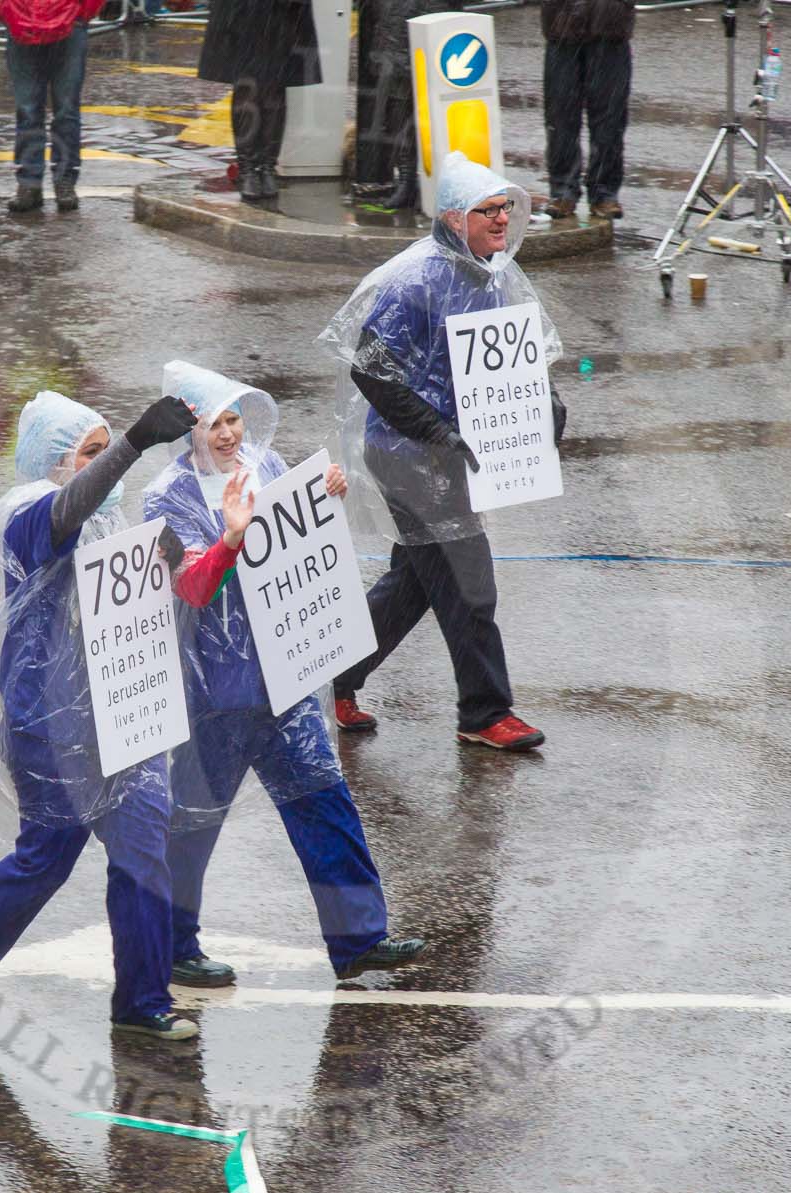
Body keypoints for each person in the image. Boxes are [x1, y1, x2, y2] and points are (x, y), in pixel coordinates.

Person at [0, 389, 200, 1041]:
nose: (108, 469)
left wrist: (165, 553)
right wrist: (132, 442)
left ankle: (143, 1000)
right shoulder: (24, 515)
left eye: (108, 452)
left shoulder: (105, 518)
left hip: (120, 717)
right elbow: (64, 512)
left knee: (143, 846)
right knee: (45, 858)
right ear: (52, 460)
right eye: (91, 453)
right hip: (50, 730)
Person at [142, 362, 426, 986]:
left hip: (284, 676)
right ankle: (168, 945)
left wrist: (320, 498)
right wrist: (231, 539)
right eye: (213, 423)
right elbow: (188, 586)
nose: (226, 433)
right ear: (188, 431)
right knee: (191, 825)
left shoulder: (265, 468)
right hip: (215, 694)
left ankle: (358, 938)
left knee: (324, 799)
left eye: (233, 417)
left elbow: (299, 546)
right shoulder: (165, 498)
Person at [320, 152, 565, 751]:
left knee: (413, 584)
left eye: (506, 208)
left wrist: (545, 404)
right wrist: (437, 431)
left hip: (459, 455)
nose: (502, 220)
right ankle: (484, 713)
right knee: (468, 583)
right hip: (410, 457)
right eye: (488, 211)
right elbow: (371, 373)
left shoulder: (496, 272)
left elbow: (509, 357)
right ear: (456, 219)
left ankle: (334, 679)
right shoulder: (416, 281)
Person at [0, 0, 103, 215]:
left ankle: (59, 181)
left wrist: (79, 15)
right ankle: (33, 184)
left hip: (63, 24)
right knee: (32, 110)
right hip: (25, 23)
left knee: (61, 109)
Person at [197, 0, 318, 203]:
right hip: (245, 9)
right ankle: (248, 168)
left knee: (277, 82)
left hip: (283, 11)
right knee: (248, 80)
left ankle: (267, 166)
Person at [540, 0, 634, 221]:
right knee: (560, 116)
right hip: (561, 24)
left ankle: (604, 193)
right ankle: (562, 190)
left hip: (611, 25)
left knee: (610, 118)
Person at [351, 0, 440, 209]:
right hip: (397, 28)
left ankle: (427, 182)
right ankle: (407, 181)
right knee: (399, 108)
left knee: (435, 108)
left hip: (432, 21)